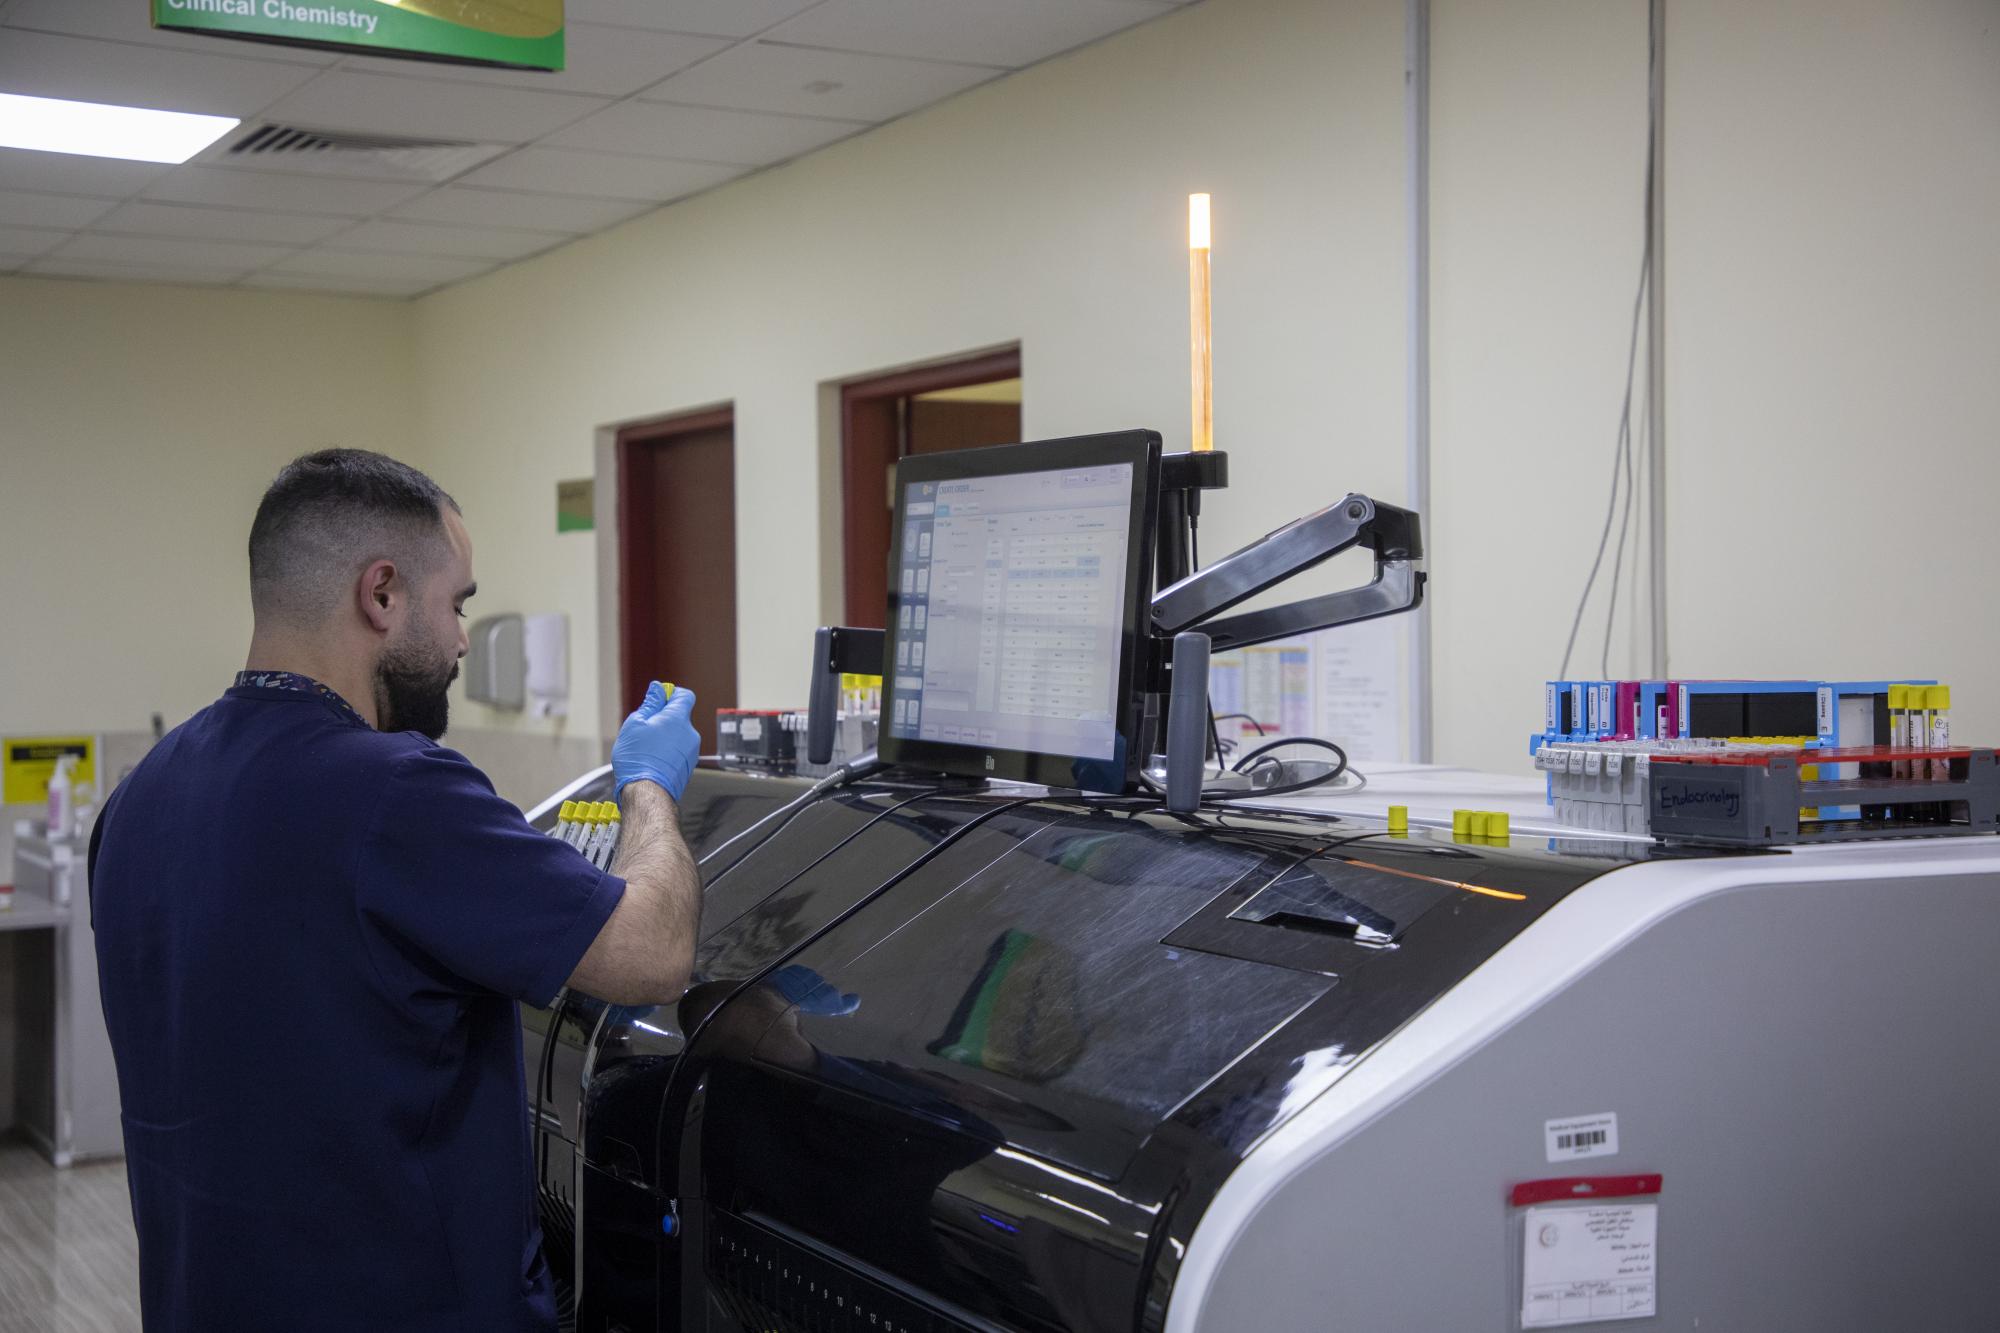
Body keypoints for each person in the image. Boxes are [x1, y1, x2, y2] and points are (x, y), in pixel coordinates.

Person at [88, 448, 703, 1332]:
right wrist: (647, 787)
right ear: (381, 593)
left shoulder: (139, 795)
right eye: (457, 605)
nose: (462, 641)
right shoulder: (397, 791)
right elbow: (654, 951)